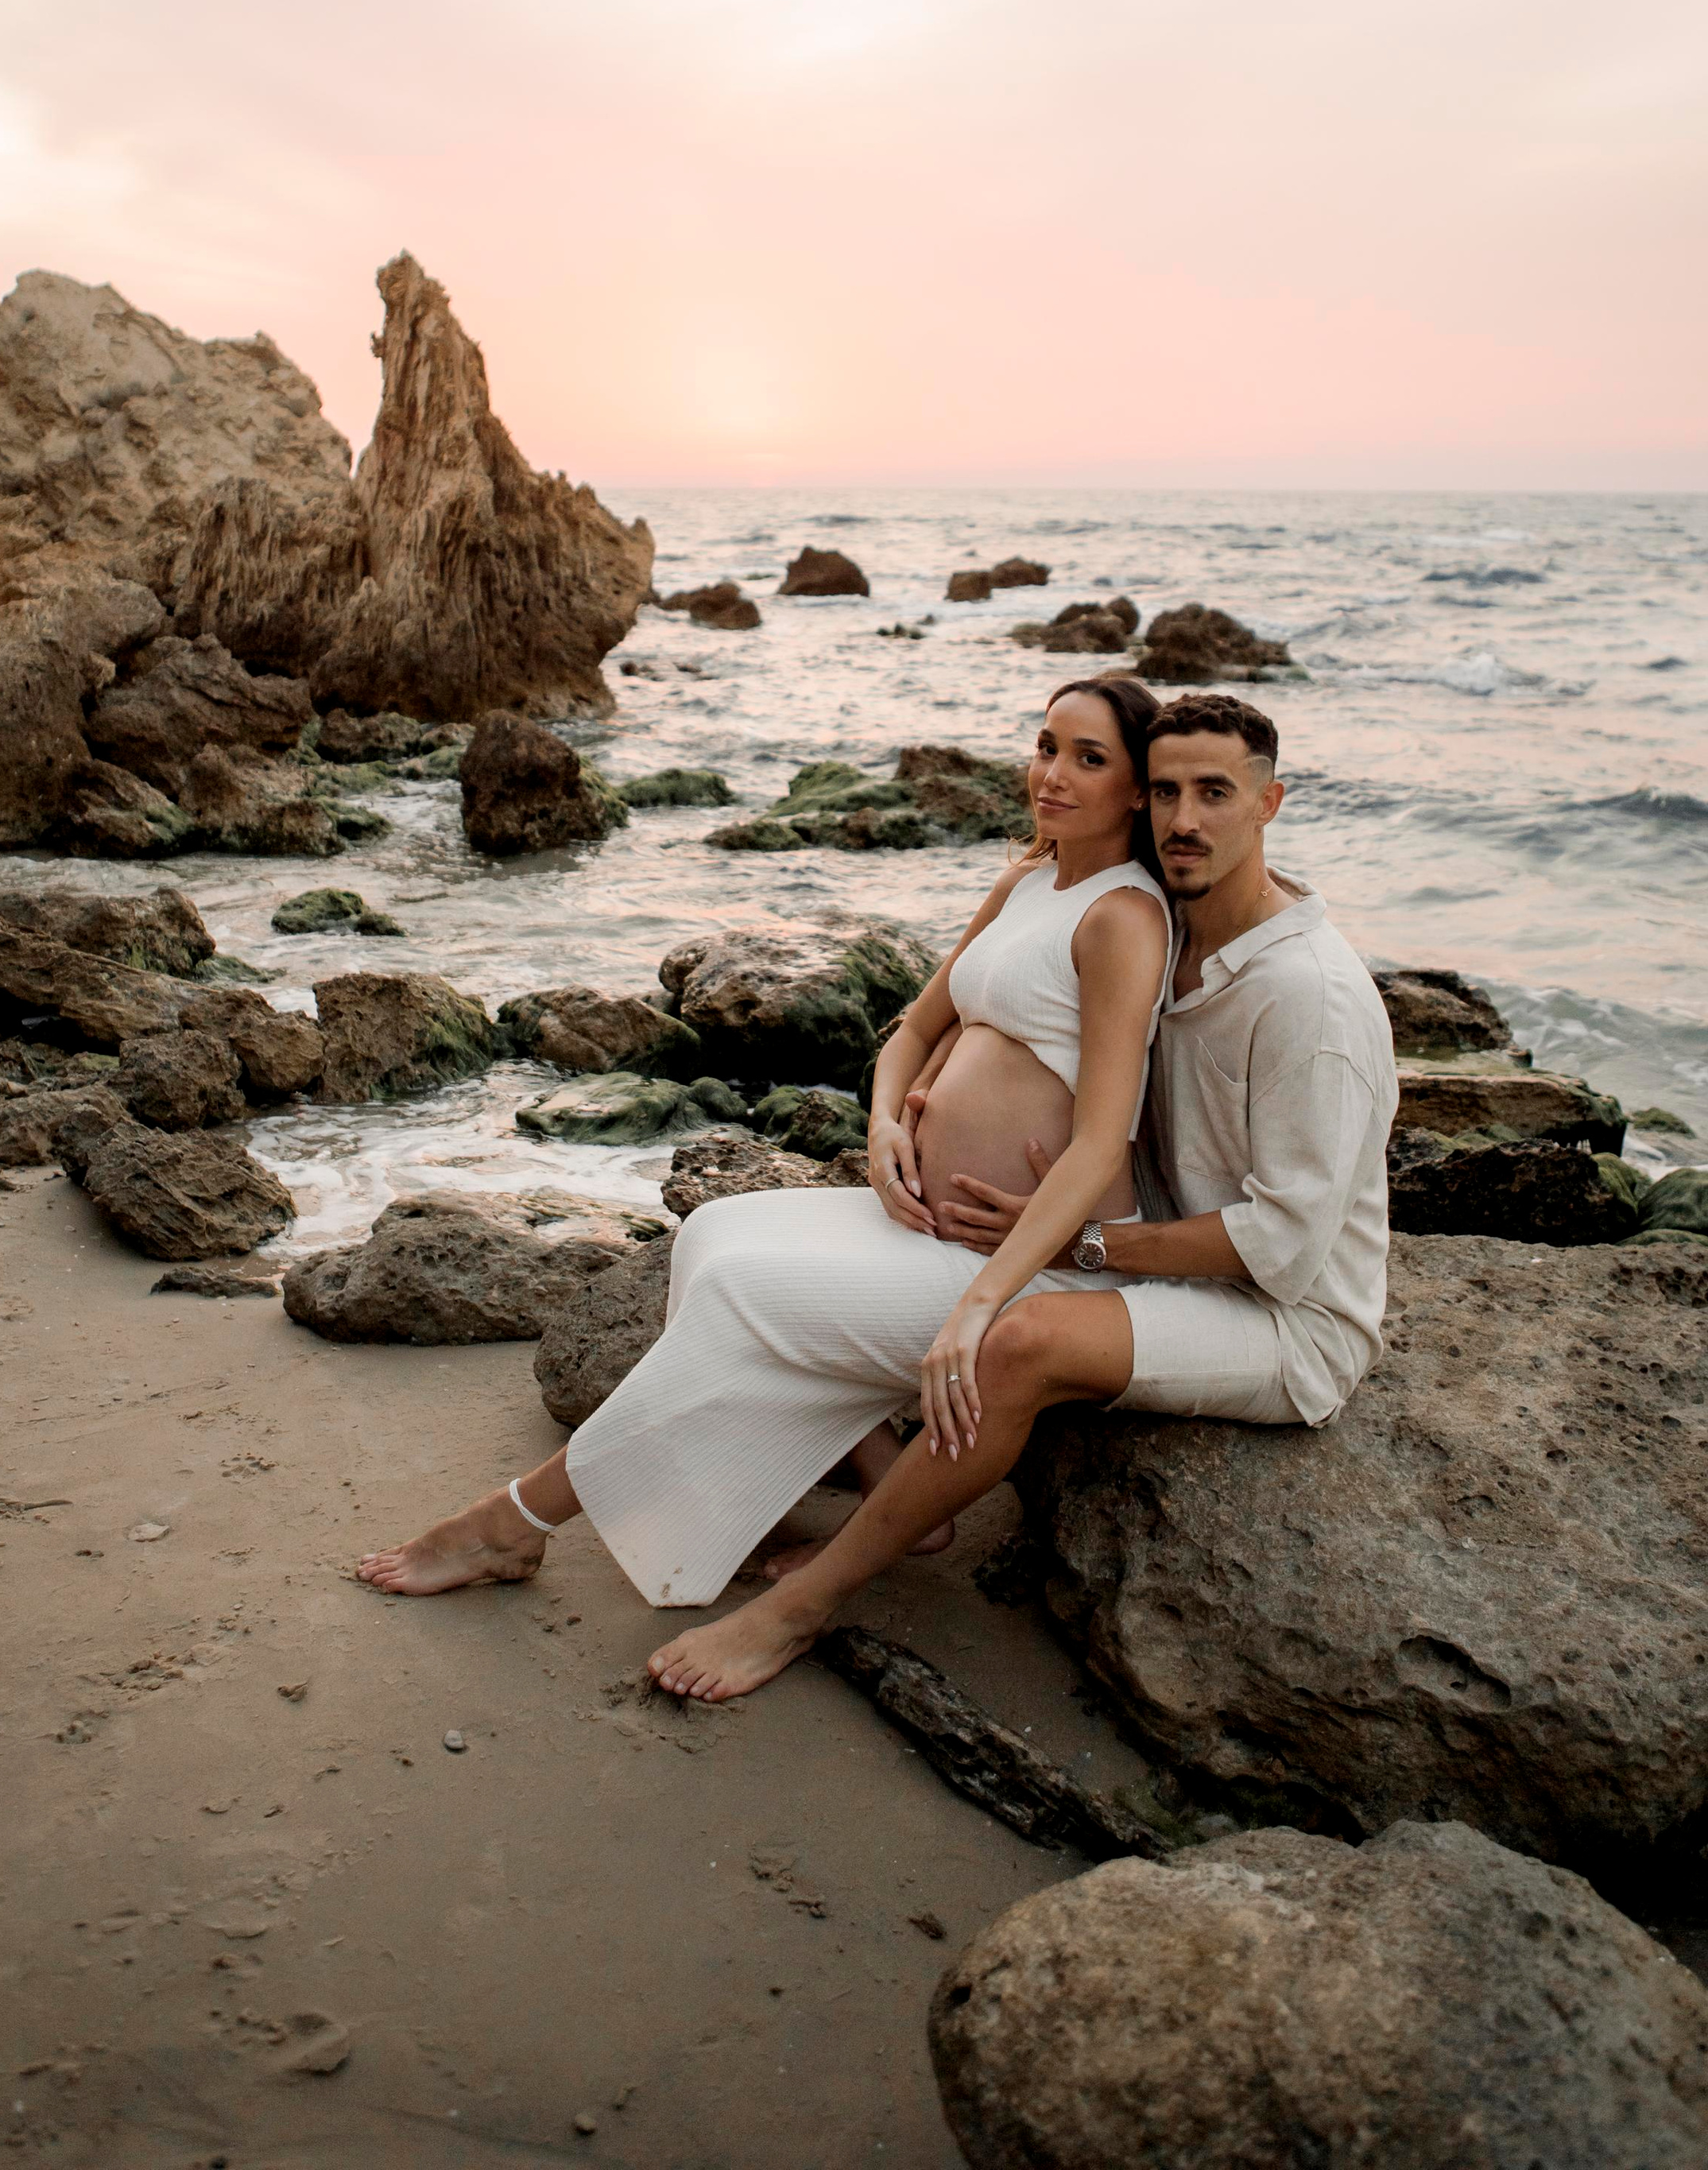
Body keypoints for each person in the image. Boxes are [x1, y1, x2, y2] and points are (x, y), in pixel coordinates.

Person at [358, 685, 1396, 1707]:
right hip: (1080, 1240)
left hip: (1271, 1311)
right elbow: (927, 1026)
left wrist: (1077, 1253)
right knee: (715, 1232)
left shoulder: (1302, 993)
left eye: (1207, 792)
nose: (1181, 816)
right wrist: (893, 1122)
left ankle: (547, 1532)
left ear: (1270, 802)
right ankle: (782, 1488)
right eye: (1165, 789)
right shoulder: (1166, 921)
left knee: (839, 1317)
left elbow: (1278, 1243)